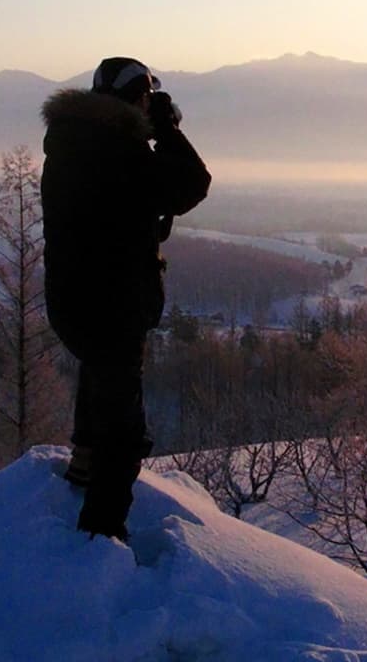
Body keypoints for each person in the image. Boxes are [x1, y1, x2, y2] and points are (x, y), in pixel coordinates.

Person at [40, 57, 211, 541]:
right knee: (125, 433)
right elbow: (192, 183)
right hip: (113, 304)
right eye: (144, 99)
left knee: (97, 375)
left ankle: (82, 466)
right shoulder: (120, 154)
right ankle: (101, 535)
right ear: (133, 102)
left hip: (73, 303)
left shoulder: (71, 146)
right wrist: (166, 130)